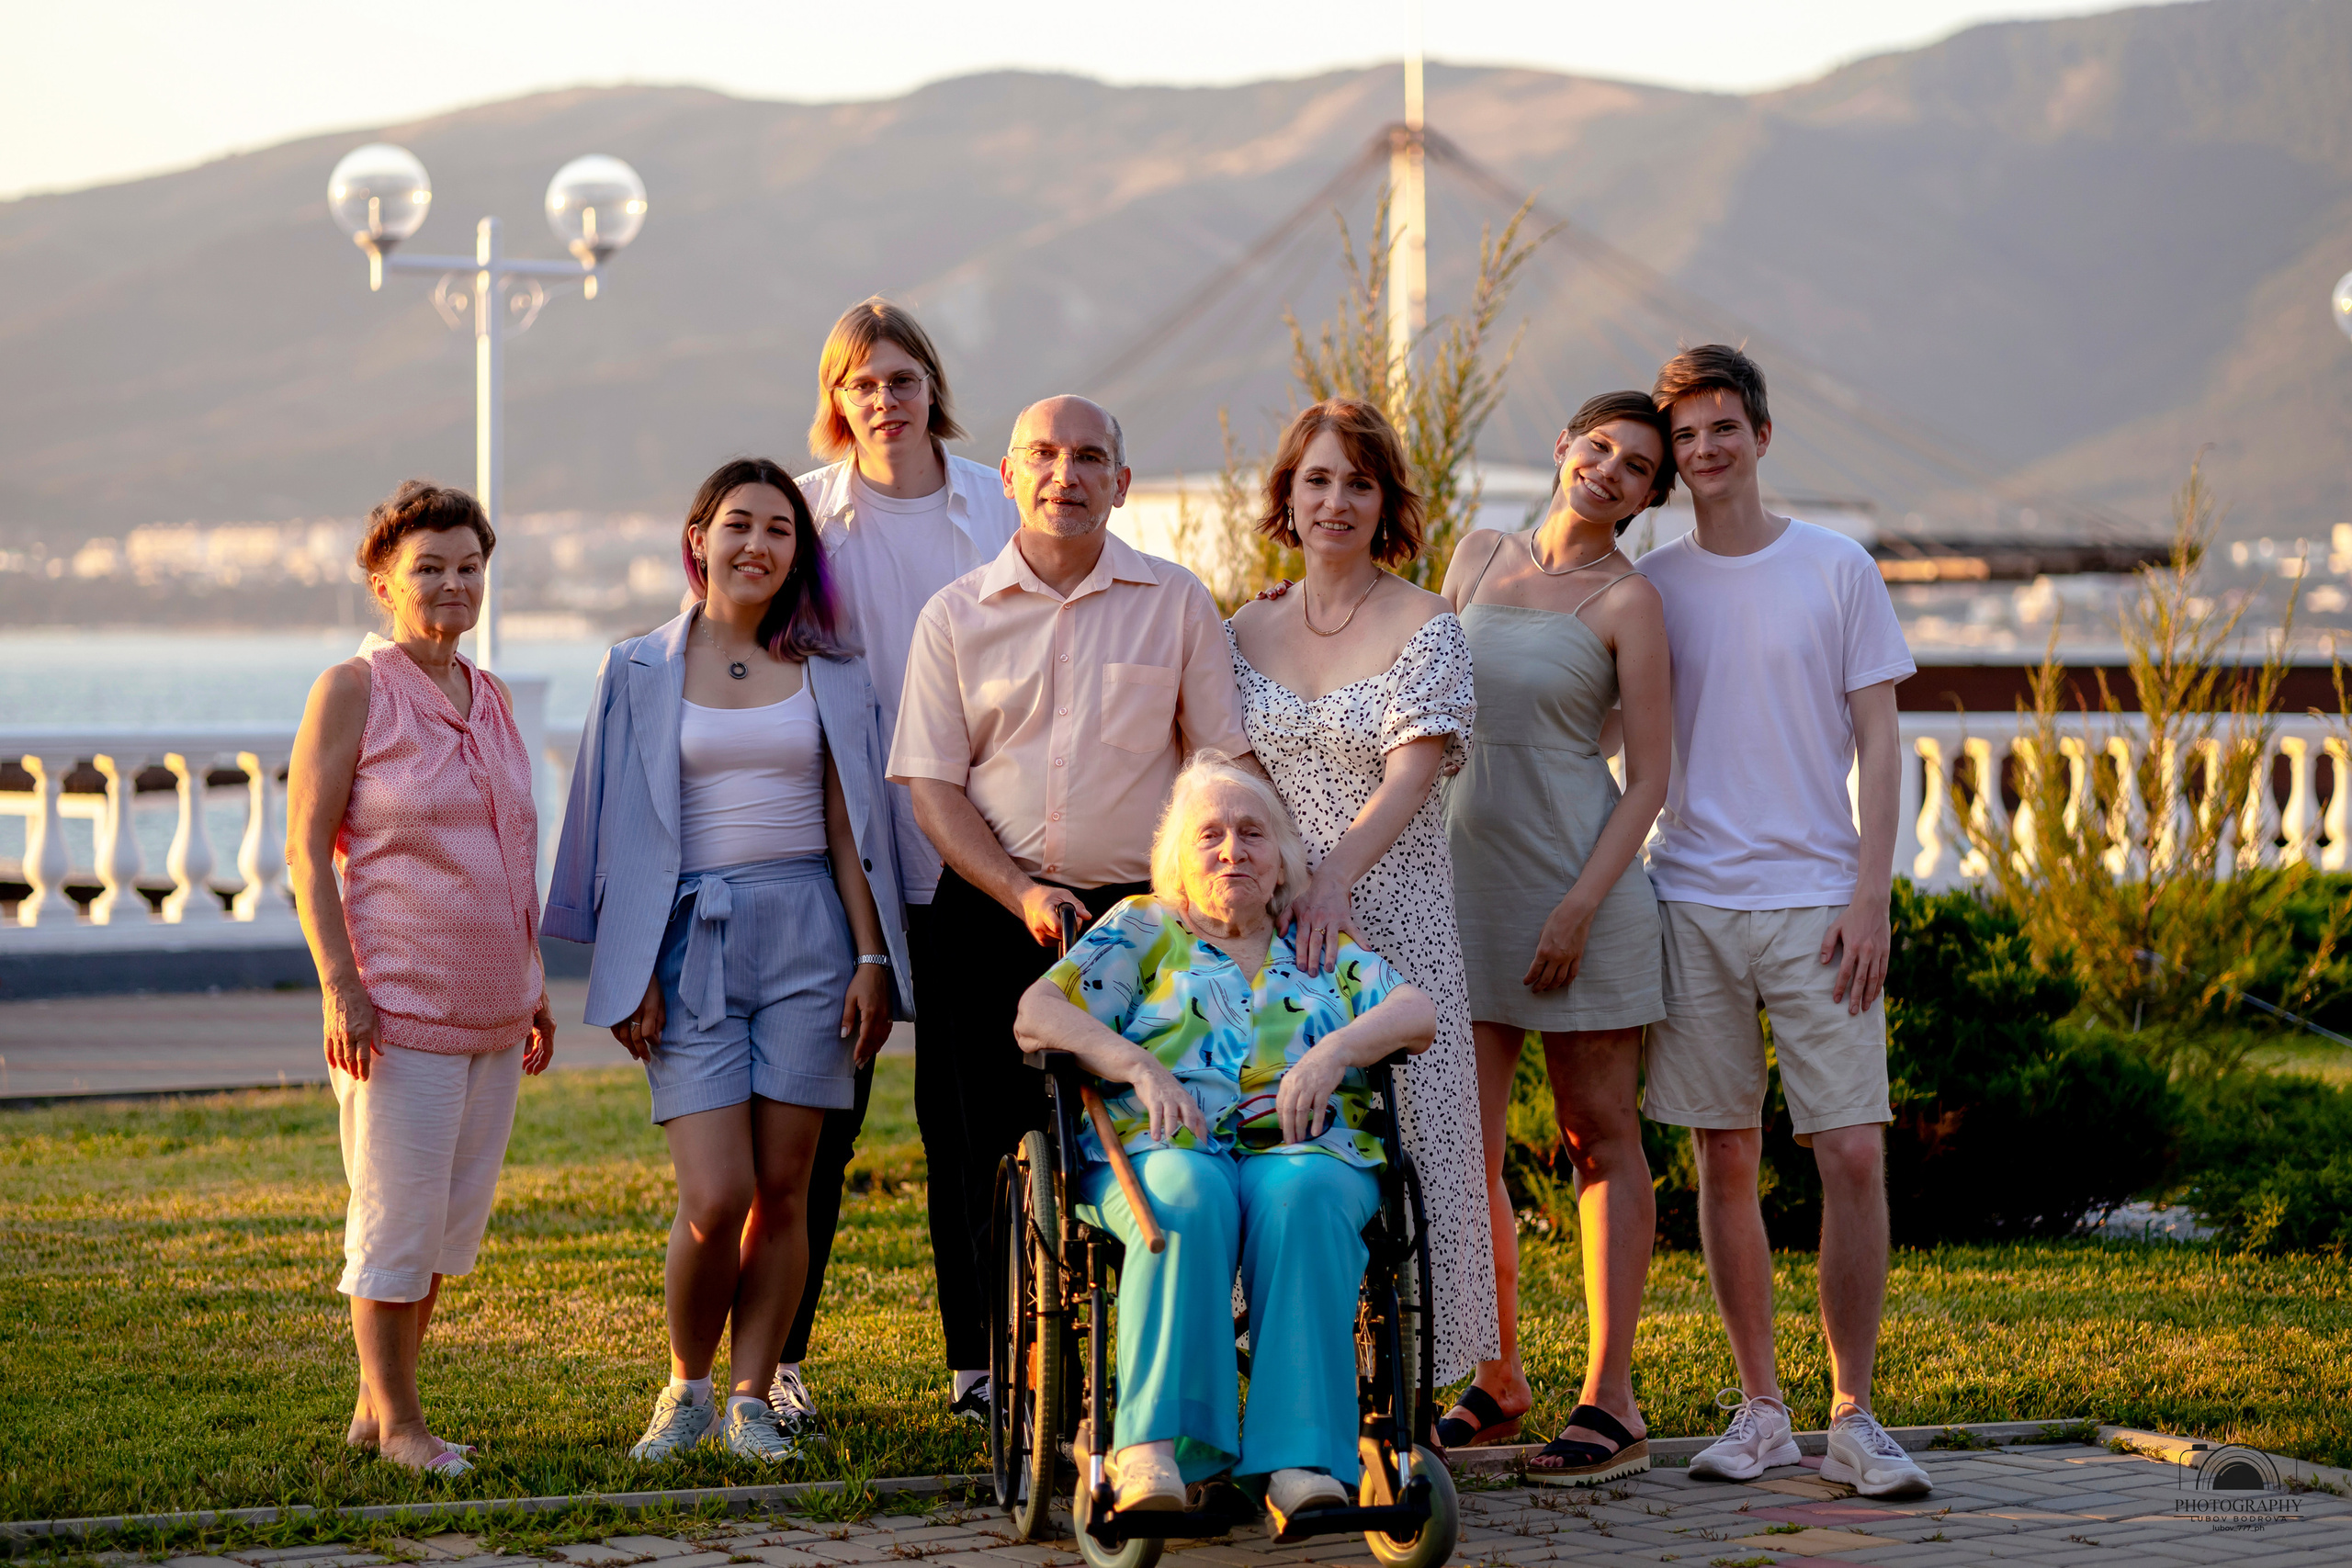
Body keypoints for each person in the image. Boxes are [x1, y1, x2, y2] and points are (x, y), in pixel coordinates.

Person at [889, 393, 1256, 1418]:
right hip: (989, 906)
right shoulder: (954, 614)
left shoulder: (1176, 601)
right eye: (1044, 456)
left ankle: (1142, 1348)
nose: (1067, 474)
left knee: (1155, 1129)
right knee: (976, 1142)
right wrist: (1018, 888)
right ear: (1007, 477)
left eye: (1090, 457)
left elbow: (1219, 764)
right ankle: (984, 1369)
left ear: (1121, 483)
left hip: (1139, 921)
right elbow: (933, 788)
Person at [545, 457, 909, 1464]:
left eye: (780, 529)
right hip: (688, 938)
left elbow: (849, 825)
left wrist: (871, 957)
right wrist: (628, 970)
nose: (758, 543)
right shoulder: (637, 667)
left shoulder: (835, 669)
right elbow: (608, 823)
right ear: (698, 538)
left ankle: (752, 1400)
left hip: (811, 939)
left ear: (798, 554)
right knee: (716, 1198)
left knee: (787, 1189)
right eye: (739, 523)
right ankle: (687, 1390)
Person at [1635, 345, 1927, 1498]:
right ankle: (1761, 1411)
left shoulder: (1836, 566)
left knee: (1850, 1150)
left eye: (1723, 427)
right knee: (1725, 1156)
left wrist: (1871, 893)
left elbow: (1879, 740)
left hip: (1818, 904)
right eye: (1686, 435)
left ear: (1759, 434)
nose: (1705, 449)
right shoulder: (1652, 581)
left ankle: (1855, 1415)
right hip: (1691, 898)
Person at [1012, 751, 1437, 1525]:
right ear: (1178, 857)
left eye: (1252, 833)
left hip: (1306, 1151)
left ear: (1282, 862)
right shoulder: (1143, 928)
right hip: (1162, 1146)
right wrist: (1138, 1065)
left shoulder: (1313, 941)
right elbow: (1037, 1013)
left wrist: (1333, 1052)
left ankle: (1300, 1460)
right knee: (1187, 1192)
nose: (1232, 849)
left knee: (1305, 1194)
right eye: (1209, 834)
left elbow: (1416, 1012)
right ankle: (1155, 1448)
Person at [774, 299, 1020, 1431]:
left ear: (932, 389)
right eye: (862, 382)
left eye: (902, 379)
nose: (884, 400)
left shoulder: (998, 504)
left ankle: (983, 1365)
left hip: (974, 852)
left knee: (970, 1126)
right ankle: (778, 1363)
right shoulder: (802, 519)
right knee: (819, 1123)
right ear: (837, 399)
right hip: (839, 860)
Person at [1223, 397, 1498, 1393]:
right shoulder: (1240, 627)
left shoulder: (1426, 624)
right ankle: (1290, 1378)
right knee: (1281, 1137)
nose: (1335, 501)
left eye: (1359, 482)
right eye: (1317, 480)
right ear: (1287, 497)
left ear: (1386, 502)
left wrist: (1332, 878)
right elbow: (1230, 771)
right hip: (1270, 929)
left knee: (1403, 1148)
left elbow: (1412, 773)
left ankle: (1397, 1400)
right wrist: (1277, 889)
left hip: (1394, 917)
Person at [286, 479, 557, 1477]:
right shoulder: (354, 690)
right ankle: (403, 1426)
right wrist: (340, 987)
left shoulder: (492, 697)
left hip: (495, 1013)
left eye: (469, 566)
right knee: (393, 1226)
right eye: (429, 567)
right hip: (395, 1014)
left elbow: (514, 849)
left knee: (440, 1233)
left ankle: (377, 1413)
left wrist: (533, 983)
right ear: (383, 582)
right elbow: (306, 851)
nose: (453, 584)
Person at [1436, 391, 1677, 1482]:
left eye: (1636, 467)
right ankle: (1497, 1380)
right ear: (1563, 446)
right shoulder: (1477, 555)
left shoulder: (1630, 601)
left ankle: (1610, 1400)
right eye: (1600, 448)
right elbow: (1411, 684)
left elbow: (1650, 777)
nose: (1609, 471)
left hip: (1583, 894)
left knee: (1597, 1139)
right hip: (1463, 892)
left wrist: (1579, 905)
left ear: (1648, 497)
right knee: (1466, 1148)